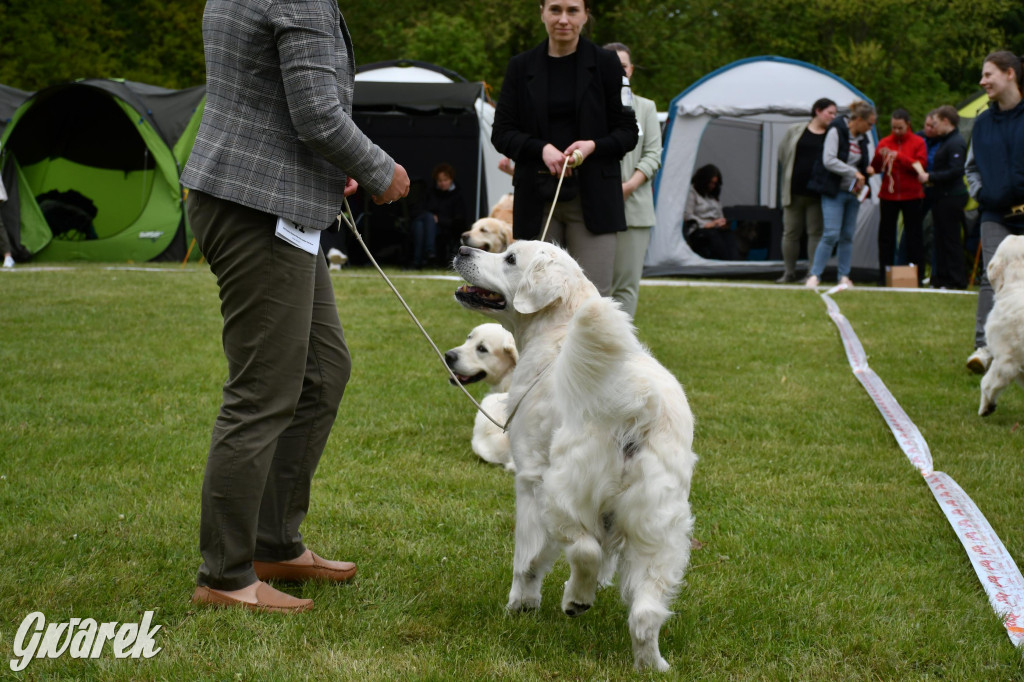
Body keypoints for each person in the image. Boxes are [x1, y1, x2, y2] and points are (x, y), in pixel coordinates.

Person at [180, 0, 410, 614]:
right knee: (263, 391)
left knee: (322, 370)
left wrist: (326, 172)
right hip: (255, 204)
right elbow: (316, 115)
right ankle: (225, 576)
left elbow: (269, 100)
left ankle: (273, 542)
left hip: (274, 199)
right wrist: (379, 168)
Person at [491, 0, 638, 296]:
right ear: (542, 12)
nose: (563, 19)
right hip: (537, 199)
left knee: (593, 301)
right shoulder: (520, 67)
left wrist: (593, 146)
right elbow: (502, 133)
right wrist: (539, 148)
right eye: (555, 10)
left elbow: (627, 133)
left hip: (594, 200)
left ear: (585, 15)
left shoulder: (608, 65)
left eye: (572, 10)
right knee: (533, 295)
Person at [964, 51, 1024, 373]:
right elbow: (970, 167)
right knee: (992, 276)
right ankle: (983, 349)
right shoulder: (982, 121)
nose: (982, 81)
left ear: (1010, 74)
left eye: (988, 75)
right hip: (995, 212)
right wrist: (982, 193)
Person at [604, 42, 662, 318]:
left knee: (625, 287)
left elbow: (653, 155)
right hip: (595, 206)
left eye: (623, 65)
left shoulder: (646, 108)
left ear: (632, 70)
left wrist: (629, 186)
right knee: (594, 283)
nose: (619, 71)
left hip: (635, 210)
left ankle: (619, 352)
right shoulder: (592, 106)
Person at [805, 100, 877, 288]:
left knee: (847, 235)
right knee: (830, 234)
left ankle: (844, 276)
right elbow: (828, 160)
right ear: (859, 119)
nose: (870, 128)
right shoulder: (836, 130)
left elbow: (859, 163)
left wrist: (866, 170)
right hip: (833, 191)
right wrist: (853, 172)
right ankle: (815, 275)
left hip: (853, 193)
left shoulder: (863, 138)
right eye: (869, 123)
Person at [776, 98, 837, 283]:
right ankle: (789, 272)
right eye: (830, 112)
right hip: (793, 191)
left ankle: (812, 273)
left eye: (835, 114)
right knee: (790, 232)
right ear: (818, 111)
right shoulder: (795, 130)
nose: (833, 117)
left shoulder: (831, 135)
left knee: (815, 233)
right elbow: (782, 154)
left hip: (817, 194)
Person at [870, 109, 928, 286]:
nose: (896, 131)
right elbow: (876, 168)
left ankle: (916, 277)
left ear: (908, 125)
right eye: (894, 128)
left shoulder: (918, 142)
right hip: (888, 196)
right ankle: (884, 277)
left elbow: (921, 165)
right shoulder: (885, 142)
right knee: (886, 237)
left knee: (914, 236)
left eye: (900, 128)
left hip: (912, 195)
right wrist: (879, 158)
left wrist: (900, 157)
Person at [918, 105, 968, 289]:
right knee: (940, 238)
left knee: (950, 239)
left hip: (951, 197)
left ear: (946, 121)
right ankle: (942, 278)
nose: (934, 126)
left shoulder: (956, 142)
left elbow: (956, 170)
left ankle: (957, 280)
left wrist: (931, 177)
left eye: (936, 123)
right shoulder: (946, 141)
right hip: (941, 196)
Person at [410, 162, 466, 268]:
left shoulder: (457, 196)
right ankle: (430, 253)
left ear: (451, 180)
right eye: (440, 180)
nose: (443, 183)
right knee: (422, 223)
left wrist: (438, 220)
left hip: (446, 229)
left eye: (445, 180)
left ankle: (418, 261)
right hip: (429, 227)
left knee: (420, 225)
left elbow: (459, 221)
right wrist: (431, 218)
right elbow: (417, 210)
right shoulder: (430, 193)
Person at [683, 164, 738, 261]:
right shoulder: (692, 192)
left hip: (716, 228)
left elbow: (719, 214)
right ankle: (724, 263)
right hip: (699, 230)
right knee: (713, 236)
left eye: (715, 184)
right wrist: (707, 224)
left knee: (729, 235)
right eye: (711, 183)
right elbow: (688, 215)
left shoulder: (713, 196)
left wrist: (722, 223)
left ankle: (733, 264)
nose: (712, 186)